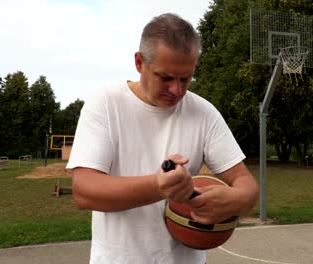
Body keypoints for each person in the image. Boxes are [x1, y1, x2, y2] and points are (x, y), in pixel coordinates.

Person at [67, 13, 259, 264]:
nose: (177, 90)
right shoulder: (105, 104)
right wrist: (158, 186)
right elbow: (84, 191)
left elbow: (245, 182)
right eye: (166, 77)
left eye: (185, 78)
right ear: (139, 62)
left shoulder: (204, 113)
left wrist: (238, 200)